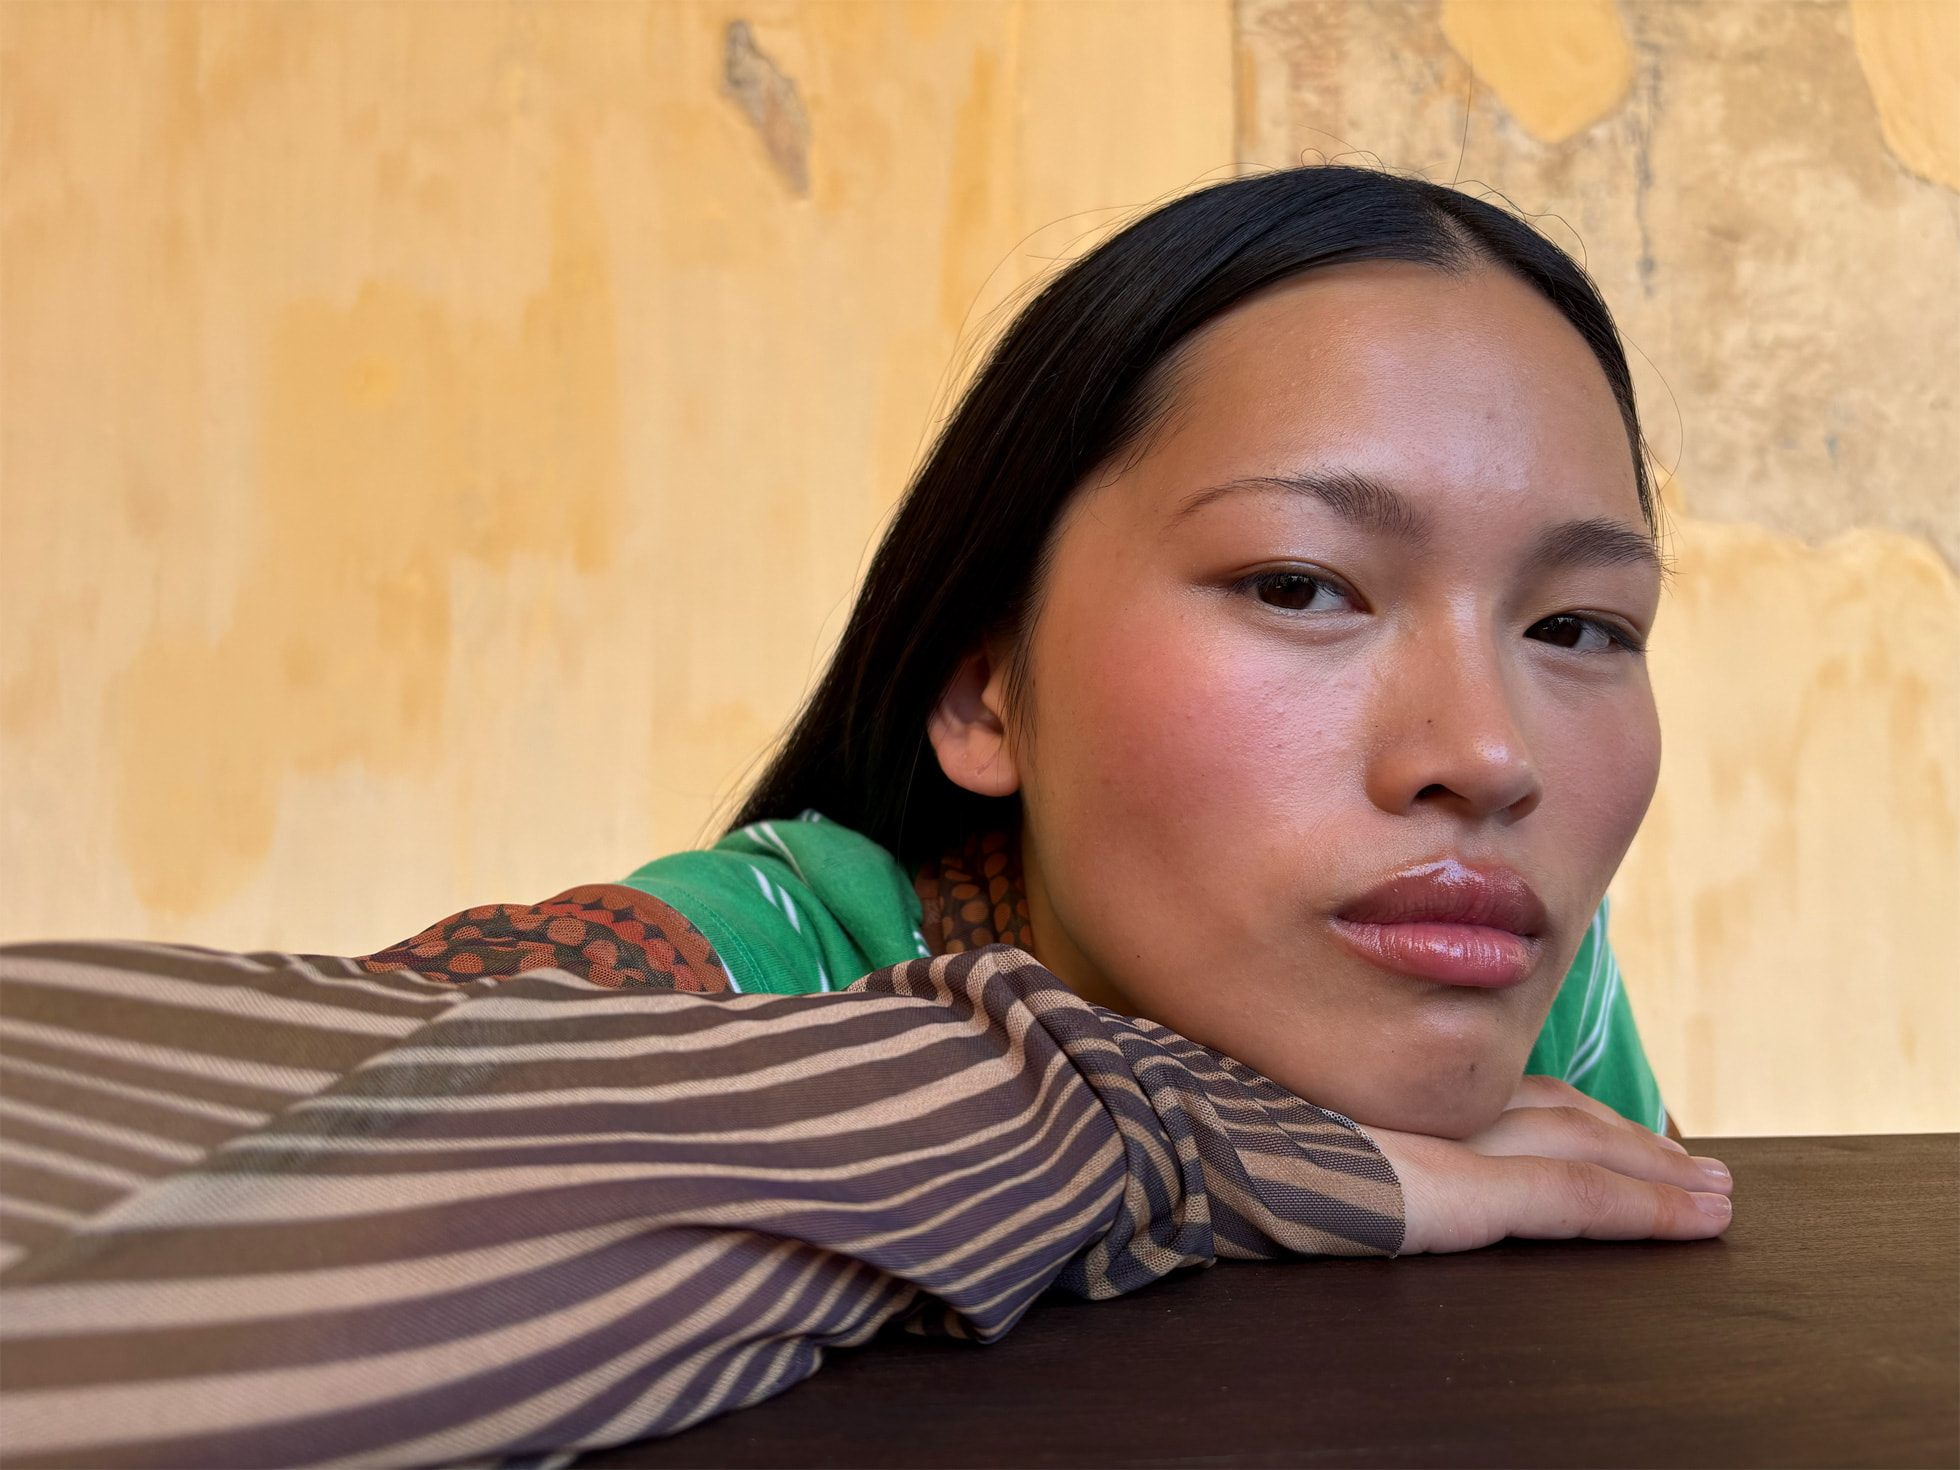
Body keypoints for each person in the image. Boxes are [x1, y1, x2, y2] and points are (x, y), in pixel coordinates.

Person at [0, 165, 1732, 1468]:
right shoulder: (744, 964)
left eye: (1581, 626)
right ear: (987, 689)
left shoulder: (1526, 1005)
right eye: (1299, 582)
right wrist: (1143, 1127)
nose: (1487, 751)